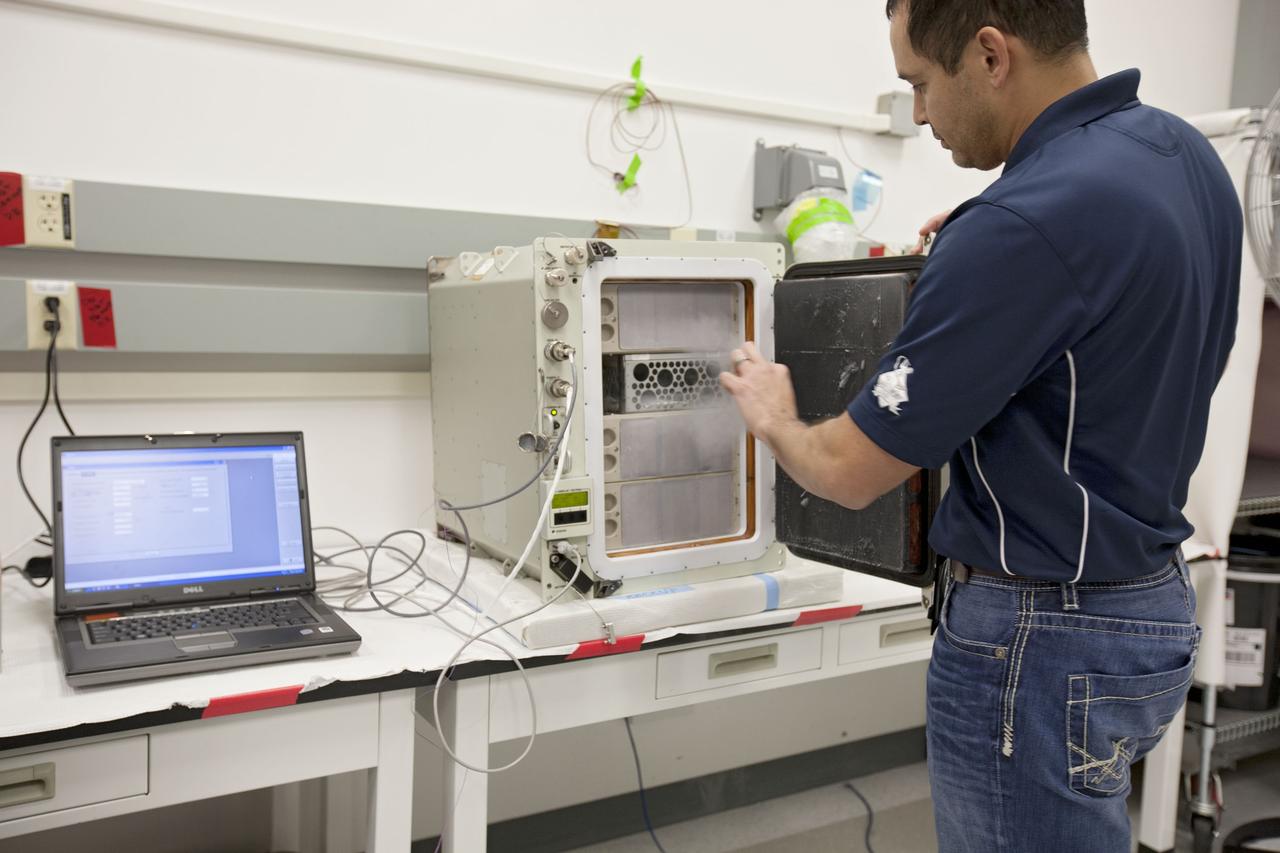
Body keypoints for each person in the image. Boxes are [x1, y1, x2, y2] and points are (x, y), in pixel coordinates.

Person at [719, 1, 1242, 851]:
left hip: (1042, 641)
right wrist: (985, 273)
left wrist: (777, 420)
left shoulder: (1022, 227)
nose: (919, 114)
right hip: (1150, 603)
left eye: (920, 84)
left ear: (991, 55)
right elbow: (1127, 344)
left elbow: (850, 471)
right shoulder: (1185, 158)